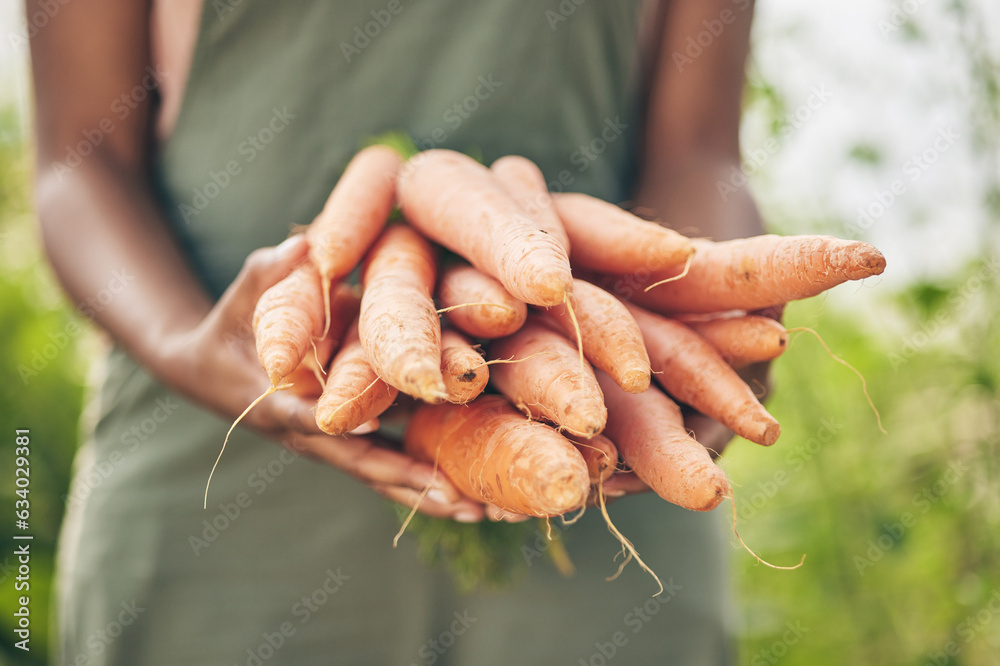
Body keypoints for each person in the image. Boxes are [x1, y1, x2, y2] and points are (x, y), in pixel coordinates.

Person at [28, 0, 767, 663]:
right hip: (214, 454)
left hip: (606, 443)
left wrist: (709, 299)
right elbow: (79, 157)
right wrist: (182, 342)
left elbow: (698, 149)